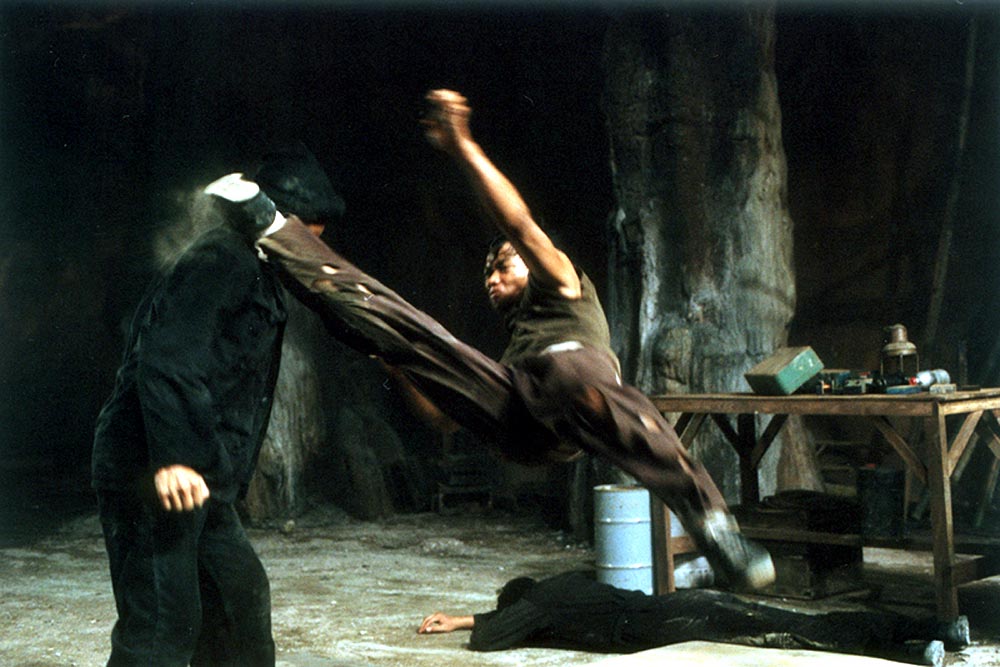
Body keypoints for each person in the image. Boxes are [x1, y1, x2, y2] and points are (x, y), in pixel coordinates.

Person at [203, 89, 772, 589]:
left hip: (582, 397)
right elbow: (445, 418)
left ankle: (717, 531)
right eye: (487, 275)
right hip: (522, 423)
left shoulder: (564, 286)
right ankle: (271, 228)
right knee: (412, 331)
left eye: (502, 266)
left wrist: (462, 144)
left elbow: (518, 225)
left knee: (584, 383)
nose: (492, 279)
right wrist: (402, 359)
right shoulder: (514, 351)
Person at [91, 145, 343, 666]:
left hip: (202, 479)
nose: (314, 246)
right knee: (161, 624)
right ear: (278, 219)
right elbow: (166, 358)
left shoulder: (261, 271)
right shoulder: (222, 258)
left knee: (239, 603)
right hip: (152, 471)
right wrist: (175, 459)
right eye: (309, 232)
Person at [416, 571, 969, 667]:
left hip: (667, 627)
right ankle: (935, 629)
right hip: (680, 604)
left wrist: (464, 622)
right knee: (795, 621)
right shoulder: (566, 585)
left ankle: (911, 653)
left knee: (789, 637)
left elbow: (491, 640)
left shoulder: (540, 603)